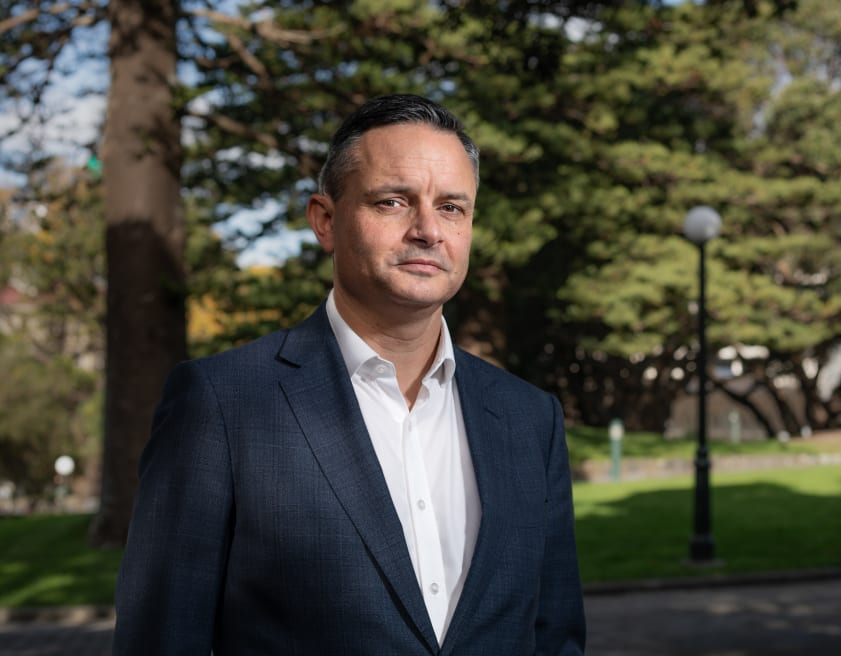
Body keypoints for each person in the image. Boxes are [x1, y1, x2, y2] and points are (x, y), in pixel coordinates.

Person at [113, 94, 586, 655]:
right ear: (326, 220)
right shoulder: (221, 404)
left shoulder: (529, 418)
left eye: (453, 208)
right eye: (393, 202)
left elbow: (556, 639)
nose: (428, 230)